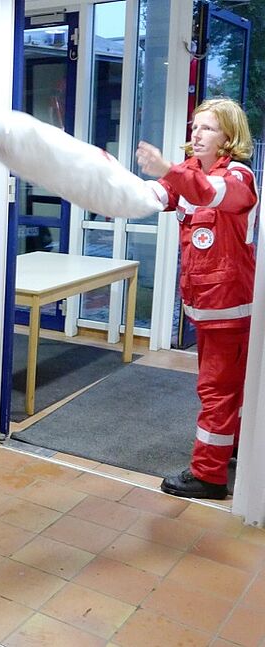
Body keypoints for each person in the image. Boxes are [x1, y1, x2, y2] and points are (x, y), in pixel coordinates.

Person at [136, 98, 257, 500]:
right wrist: (100, 180)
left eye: (207, 127)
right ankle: (231, 446)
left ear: (229, 136)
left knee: (216, 391)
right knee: (226, 387)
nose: (197, 133)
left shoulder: (238, 177)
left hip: (230, 309)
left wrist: (167, 169)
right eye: (195, 126)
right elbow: (151, 196)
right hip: (205, 308)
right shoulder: (190, 173)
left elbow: (209, 192)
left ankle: (208, 475)